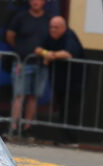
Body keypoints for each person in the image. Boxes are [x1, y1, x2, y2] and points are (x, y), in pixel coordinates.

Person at [4, 0, 55, 136]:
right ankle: (14, 127)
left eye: (37, 0)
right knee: (19, 94)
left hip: (41, 64)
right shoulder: (21, 17)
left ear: (43, 2)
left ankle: (27, 127)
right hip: (22, 62)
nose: (35, 2)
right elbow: (10, 36)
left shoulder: (48, 19)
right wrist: (21, 50)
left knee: (34, 96)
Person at [33, 16, 84, 144]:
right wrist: (45, 53)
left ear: (63, 27)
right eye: (51, 27)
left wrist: (52, 56)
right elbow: (38, 49)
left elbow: (68, 53)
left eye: (56, 27)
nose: (53, 30)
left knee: (71, 109)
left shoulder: (69, 35)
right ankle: (63, 137)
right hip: (59, 80)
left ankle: (72, 139)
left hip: (74, 80)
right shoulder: (50, 36)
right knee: (61, 107)